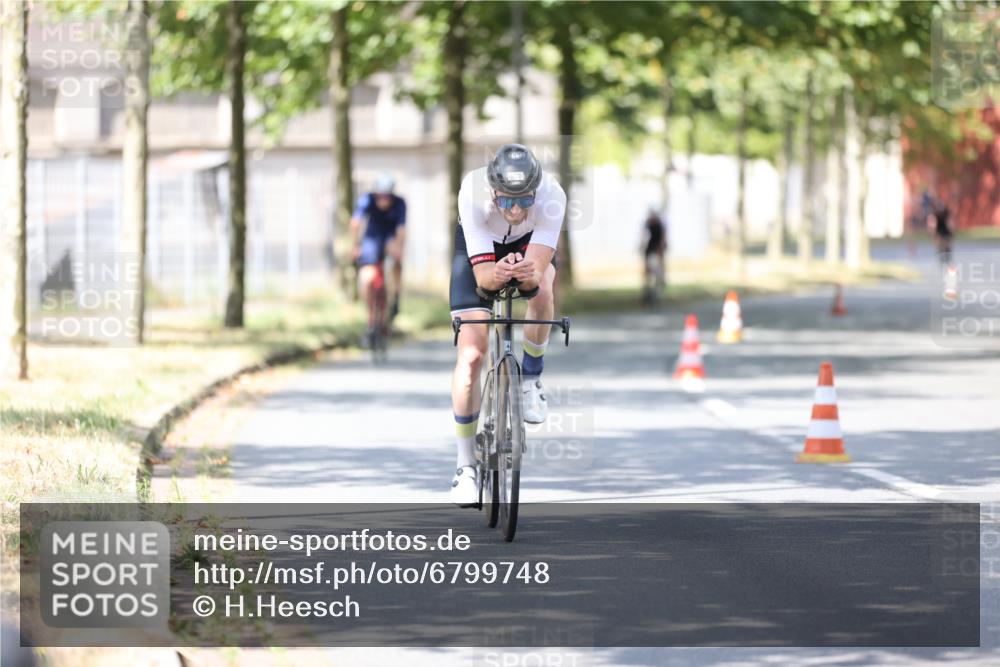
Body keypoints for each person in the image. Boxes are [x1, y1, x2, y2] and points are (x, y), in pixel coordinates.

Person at [448, 144, 566, 506]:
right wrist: (495, 274)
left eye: (524, 201)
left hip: (529, 247)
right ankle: (465, 466)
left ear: (536, 192)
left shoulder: (553, 197)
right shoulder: (472, 192)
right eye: (506, 201)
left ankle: (530, 379)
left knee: (543, 287)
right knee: (472, 355)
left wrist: (525, 276)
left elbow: (531, 283)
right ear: (493, 192)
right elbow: (483, 280)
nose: (515, 209)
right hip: (480, 249)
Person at [351, 174, 406, 340]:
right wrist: (355, 245)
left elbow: (402, 230)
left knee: (396, 261)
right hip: (371, 239)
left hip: (390, 237)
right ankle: (371, 320)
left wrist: (399, 248)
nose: (383, 200)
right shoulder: (366, 200)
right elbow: (356, 223)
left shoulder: (400, 203)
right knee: (367, 278)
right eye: (379, 196)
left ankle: (395, 296)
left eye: (386, 196)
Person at [640, 207, 667, 305]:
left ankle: (656, 295)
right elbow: (643, 238)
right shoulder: (649, 224)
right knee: (649, 275)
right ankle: (649, 295)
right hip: (650, 252)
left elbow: (662, 240)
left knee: (657, 275)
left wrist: (660, 252)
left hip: (656, 252)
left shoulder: (658, 225)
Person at [933, 200, 953, 266]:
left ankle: (946, 258)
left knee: (945, 245)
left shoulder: (944, 213)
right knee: (942, 246)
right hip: (940, 231)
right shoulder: (937, 214)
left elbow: (949, 222)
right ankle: (944, 258)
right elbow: (934, 223)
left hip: (944, 231)